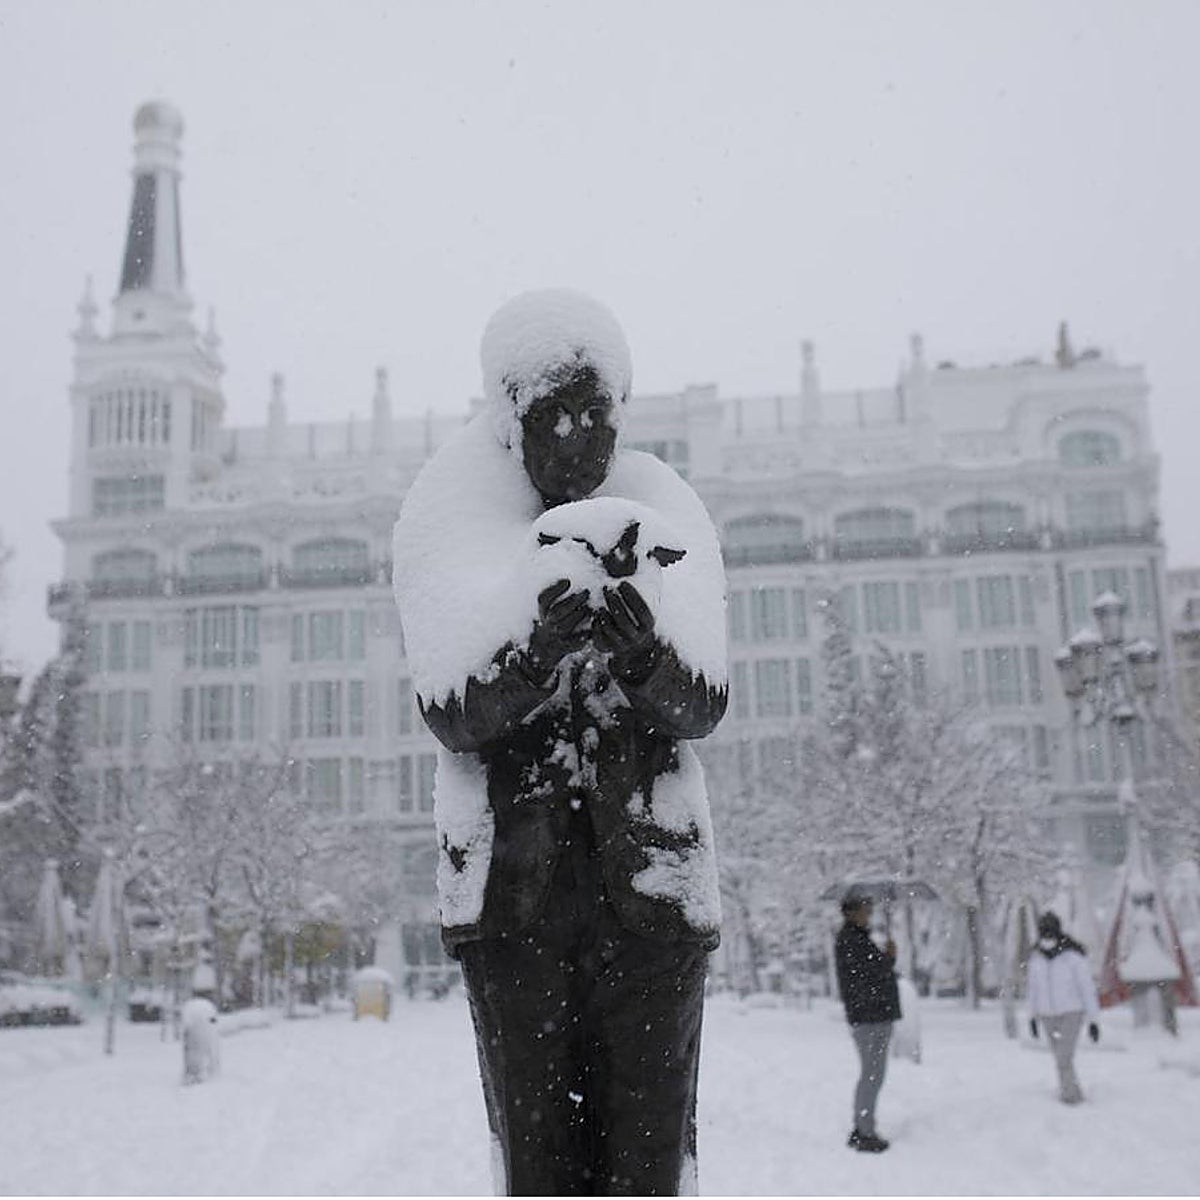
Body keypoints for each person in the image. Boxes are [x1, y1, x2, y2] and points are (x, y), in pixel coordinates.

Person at [392, 289, 728, 1195]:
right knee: (540, 1167)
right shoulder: (448, 518)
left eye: (597, 415)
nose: (579, 437)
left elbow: (707, 703)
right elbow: (448, 711)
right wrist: (533, 650)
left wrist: (645, 657)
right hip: (514, 904)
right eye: (556, 416)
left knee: (650, 1163)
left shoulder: (667, 509)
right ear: (512, 423)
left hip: (653, 896)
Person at [834, 890, 901, 1153]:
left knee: (872, 1073)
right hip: (870, 1016)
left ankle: (863, 1125)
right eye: (865, 909)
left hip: (871, 1014)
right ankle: (864, 1130)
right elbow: (872, 974)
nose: (869, 914)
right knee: (873, 1074)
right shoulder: (852, 940)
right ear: (852, 912)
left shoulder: (856, 939)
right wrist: (890, 957)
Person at [1027, 910, 1100, 1104]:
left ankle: (1071, 1097)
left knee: (1063, 1057)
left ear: (1057, 933)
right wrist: (1032, 1017)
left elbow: (1087, 989)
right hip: (1046, 1015)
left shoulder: (1073, 958)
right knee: (1061, 1059)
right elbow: (1033, 990)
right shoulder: (1036, 959)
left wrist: (1093, 1020)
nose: (1047, 939)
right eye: (1044, 934)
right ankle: (1069, 1090)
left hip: (1071, 1012)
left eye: (1050, 934)